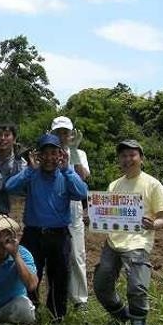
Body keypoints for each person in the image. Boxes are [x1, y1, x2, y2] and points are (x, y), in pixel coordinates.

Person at [93, 140, 163, 325]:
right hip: (113, 242)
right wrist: (94, 217)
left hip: (138, 243)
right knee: (101, 284)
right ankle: (121, 316)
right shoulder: (114, 185)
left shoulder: (152, 184)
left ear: (140, 158)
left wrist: (154, 224)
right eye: (123, 156)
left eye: (132, 155)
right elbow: (106, 213)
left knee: (137, 288)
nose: (127, 159)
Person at [5, 134, 88, 321]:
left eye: (54, 153)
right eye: (45, 153)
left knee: (60, 277)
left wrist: (67, 169)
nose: (50, 158)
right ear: (39, 155)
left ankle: (57, 316)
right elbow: (9, 187)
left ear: (60, 154)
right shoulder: (32, 174)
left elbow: (82, 193)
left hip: (59, 236)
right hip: (33, 235)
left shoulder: (66, 175)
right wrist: (29, 170)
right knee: (30, 274)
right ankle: (30, 312)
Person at [51, 116, 91, 310]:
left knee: (77, 255)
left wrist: (73, 151)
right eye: (58, 132)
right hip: (52, 210)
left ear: (71, 134)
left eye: (65, 132)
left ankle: (80, 299)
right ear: (52, 133)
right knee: (56, 257)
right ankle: (56, 298)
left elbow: (83, 177)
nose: (62, 136)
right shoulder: (47, 154)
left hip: (74, 210)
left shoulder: (79, 153)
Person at [0, 122, 27, 215]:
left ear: (14, 139)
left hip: (13, 212)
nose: (2, 138)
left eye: (7, 135)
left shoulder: (21, 163)